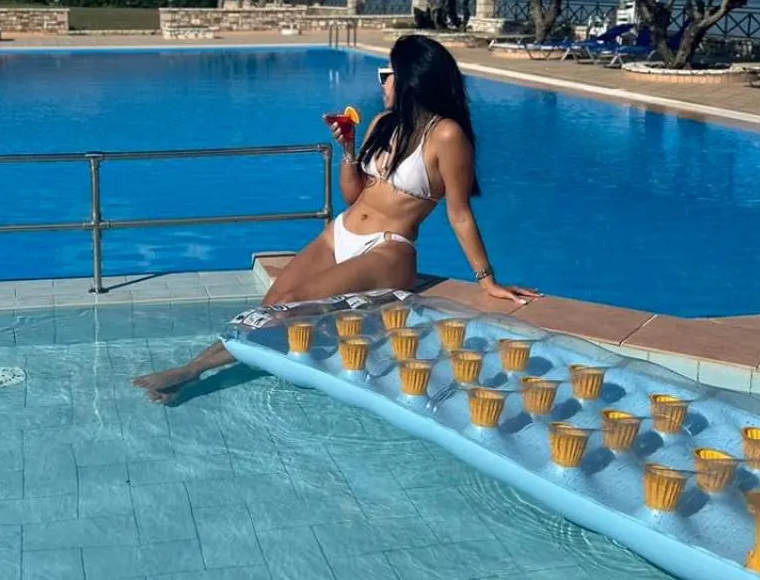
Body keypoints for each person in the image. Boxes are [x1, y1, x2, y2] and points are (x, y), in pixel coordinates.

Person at [134, 33, 538, 404]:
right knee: (271, 304)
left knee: (291, 305)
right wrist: (348, 150)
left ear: (411, 79)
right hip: (341, 230)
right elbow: (355, 193)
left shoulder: (447, 135)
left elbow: (460, 213)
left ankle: (190, 372)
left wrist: (488, 280)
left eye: (387, 74)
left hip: (388, 247)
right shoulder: (383, 123)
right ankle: (201, 366)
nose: (382, 83)